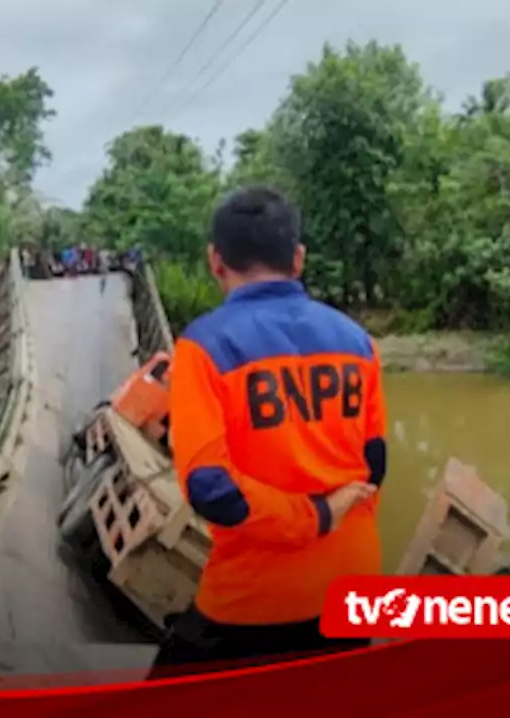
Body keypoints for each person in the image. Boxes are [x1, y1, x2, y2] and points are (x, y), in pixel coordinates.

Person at [149, 186, 387, 679]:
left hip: (255, 601)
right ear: (298, 259)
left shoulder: (202, 348)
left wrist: (314, 516)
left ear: (216, 262)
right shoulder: (358, 343)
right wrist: (329, 511)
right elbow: (375, 463)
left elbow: (213, 491)